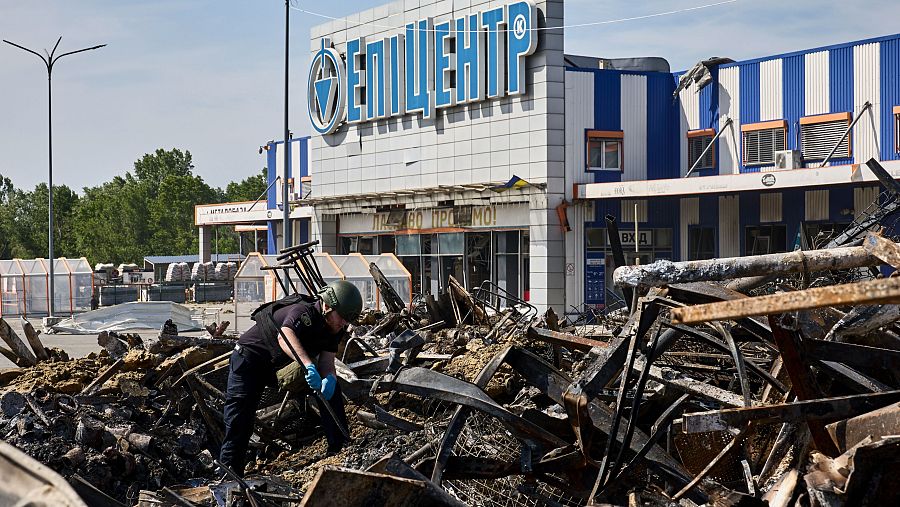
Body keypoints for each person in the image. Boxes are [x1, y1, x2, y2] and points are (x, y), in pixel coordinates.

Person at [219, 280, 363, 476]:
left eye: (348, 320)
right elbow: (285, 335)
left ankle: (339, 447)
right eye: (343, 317)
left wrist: (329, 378)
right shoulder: (302, 312)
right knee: (240, 420)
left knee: (331, 390)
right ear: (328, 306)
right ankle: (229, 475)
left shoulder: (334, 328)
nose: (344, 323)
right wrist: (308, 365)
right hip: (248, 360)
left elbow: (327, 362)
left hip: (274, 365)